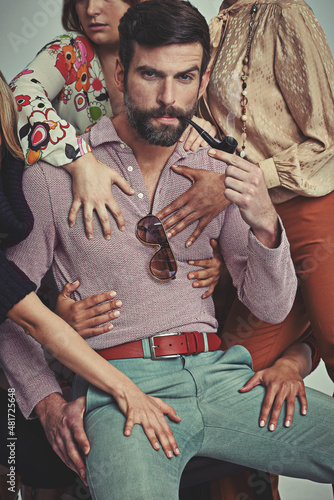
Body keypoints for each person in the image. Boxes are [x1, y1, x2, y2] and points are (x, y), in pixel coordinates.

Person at [0, 3, 333, 500]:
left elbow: (270, 305)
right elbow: (9, 310)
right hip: (118, 393)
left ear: (202, 84)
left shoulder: (217, 172)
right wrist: (47, 402)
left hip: (222, 378)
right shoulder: (53, 180)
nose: (166, 98)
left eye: (184, 78)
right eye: (150, 75)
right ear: (120, 72)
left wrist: (265, 223)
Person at [153, 0, 334, 498]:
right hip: (243, 218)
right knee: (238, 379)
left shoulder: (286, 12)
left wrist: (239, 182)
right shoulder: (217, 25)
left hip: (312, 210)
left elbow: (329, 137)